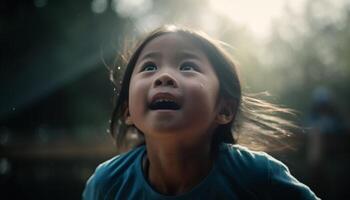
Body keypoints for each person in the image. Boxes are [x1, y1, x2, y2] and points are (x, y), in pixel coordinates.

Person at [83, 25, 320, 199]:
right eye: (149, 67)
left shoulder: (258, 176)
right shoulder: (107, 185)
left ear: (224, 108)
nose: (163, 76)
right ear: (127, 111)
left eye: (188, 66)